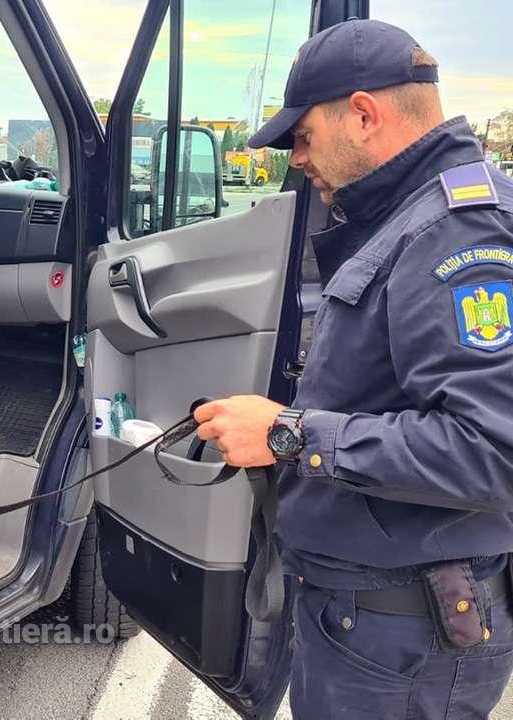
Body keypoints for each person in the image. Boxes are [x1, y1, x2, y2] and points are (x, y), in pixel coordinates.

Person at [193, 19, 513, 719]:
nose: (296, 159)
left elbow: (493, 452)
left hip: (404, 641)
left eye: (303, 137)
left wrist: (289, 434)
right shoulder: (409, 217)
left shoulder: (457, 230)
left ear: (364, 115)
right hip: (374, 622)